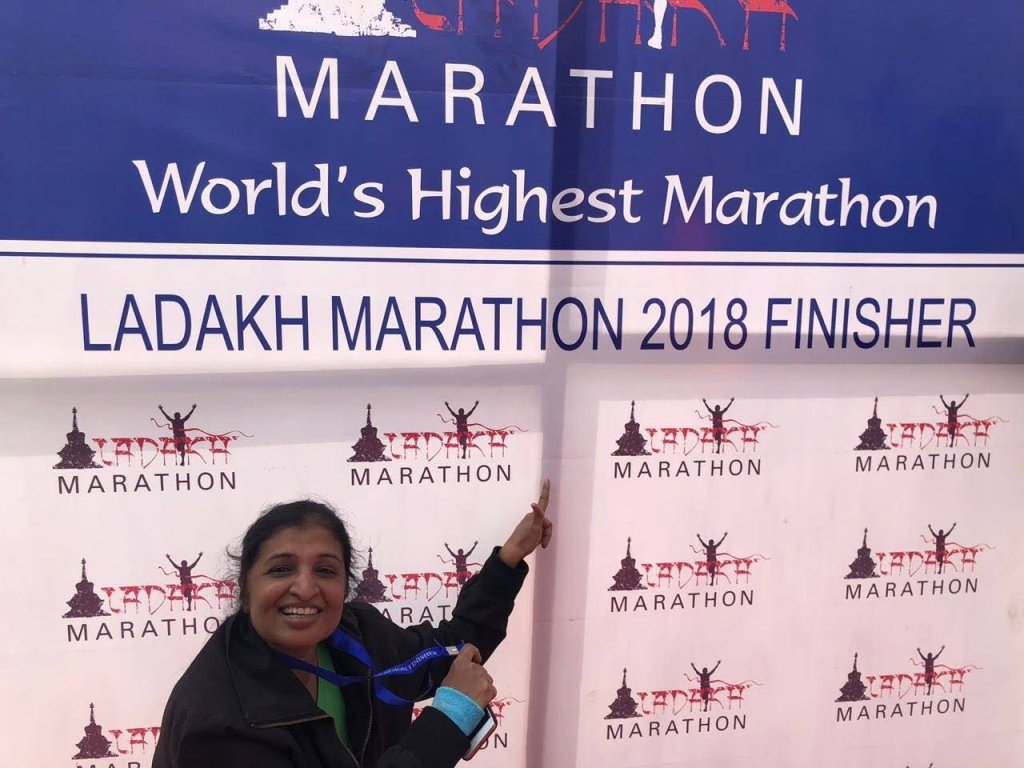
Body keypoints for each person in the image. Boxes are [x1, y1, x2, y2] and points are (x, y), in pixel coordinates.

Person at [153, 480, 553, 768]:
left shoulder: (357, 635)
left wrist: (509, 560)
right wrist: (448, 723)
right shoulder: (218, 724)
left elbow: (455, 648)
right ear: (244, 588)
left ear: (345, 586)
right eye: (281, 569)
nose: (305, 588)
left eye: (325, 570)